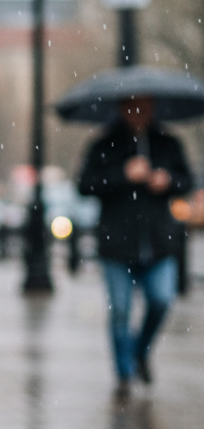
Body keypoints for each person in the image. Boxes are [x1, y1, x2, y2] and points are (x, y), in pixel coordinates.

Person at [77, 96, 192, 396]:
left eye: (145, 106)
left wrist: (167, 181)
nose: (139, 113)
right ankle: (124, 374)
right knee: (121, 311)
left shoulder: (167, 144)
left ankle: (140, 350)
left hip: (159, 241)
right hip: (117, 244)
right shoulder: (104, 145)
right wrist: (123, 176)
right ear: (122, 109)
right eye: (132, 106)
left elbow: (187, 180)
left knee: (161, 299)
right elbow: (85, 185)